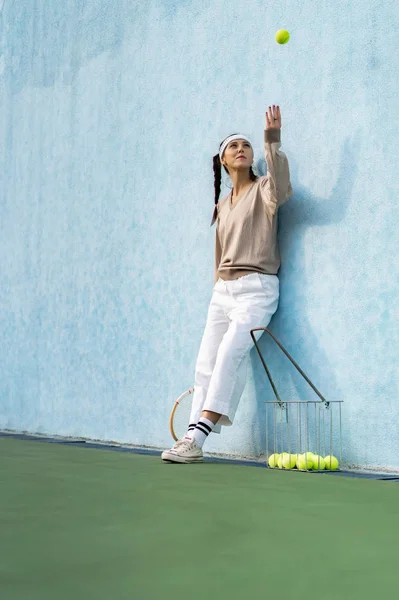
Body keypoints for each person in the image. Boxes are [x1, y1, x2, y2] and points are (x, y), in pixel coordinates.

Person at [162, 105, 293, 463]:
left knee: (229, 355)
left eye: (246, 146)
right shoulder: (220, 207)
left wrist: (272, 140)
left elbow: (281, 187)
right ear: (222, 160)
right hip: (223, 293)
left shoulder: (264, 190)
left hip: (257, 290)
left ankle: (197, 439)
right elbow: (218, 259)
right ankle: (190, 435)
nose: (241, 149)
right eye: (234, 146)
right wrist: (217, 291)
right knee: (205, 362)